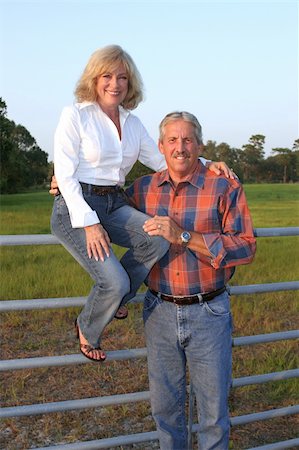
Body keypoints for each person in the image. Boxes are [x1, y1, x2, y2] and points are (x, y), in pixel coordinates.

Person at [50, 44, 235, 364]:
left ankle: (118, 297)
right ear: (94, 79)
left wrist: (207, 163)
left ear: (130, 83)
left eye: (122, 77)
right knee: (114, 280)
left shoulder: (132, 123)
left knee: (158, 238)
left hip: (114, 203)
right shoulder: (75, 114)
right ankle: (87, 326)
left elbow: (162, 161)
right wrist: (90, 223)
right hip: (76, 206)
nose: (115, 83)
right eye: (106, 75)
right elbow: (64, 176)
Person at [125, 111, 256, 449]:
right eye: (172, 140)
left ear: (200, 145)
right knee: (166, 412)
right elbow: (102, 208)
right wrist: (64, 184)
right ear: (160, 146)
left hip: (209, 312)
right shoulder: (141, 189)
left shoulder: (224, 186)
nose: (180, 147)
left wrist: (182, 235)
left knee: (213, 415)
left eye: (187, 140)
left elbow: (245, 247)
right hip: (159, 311)